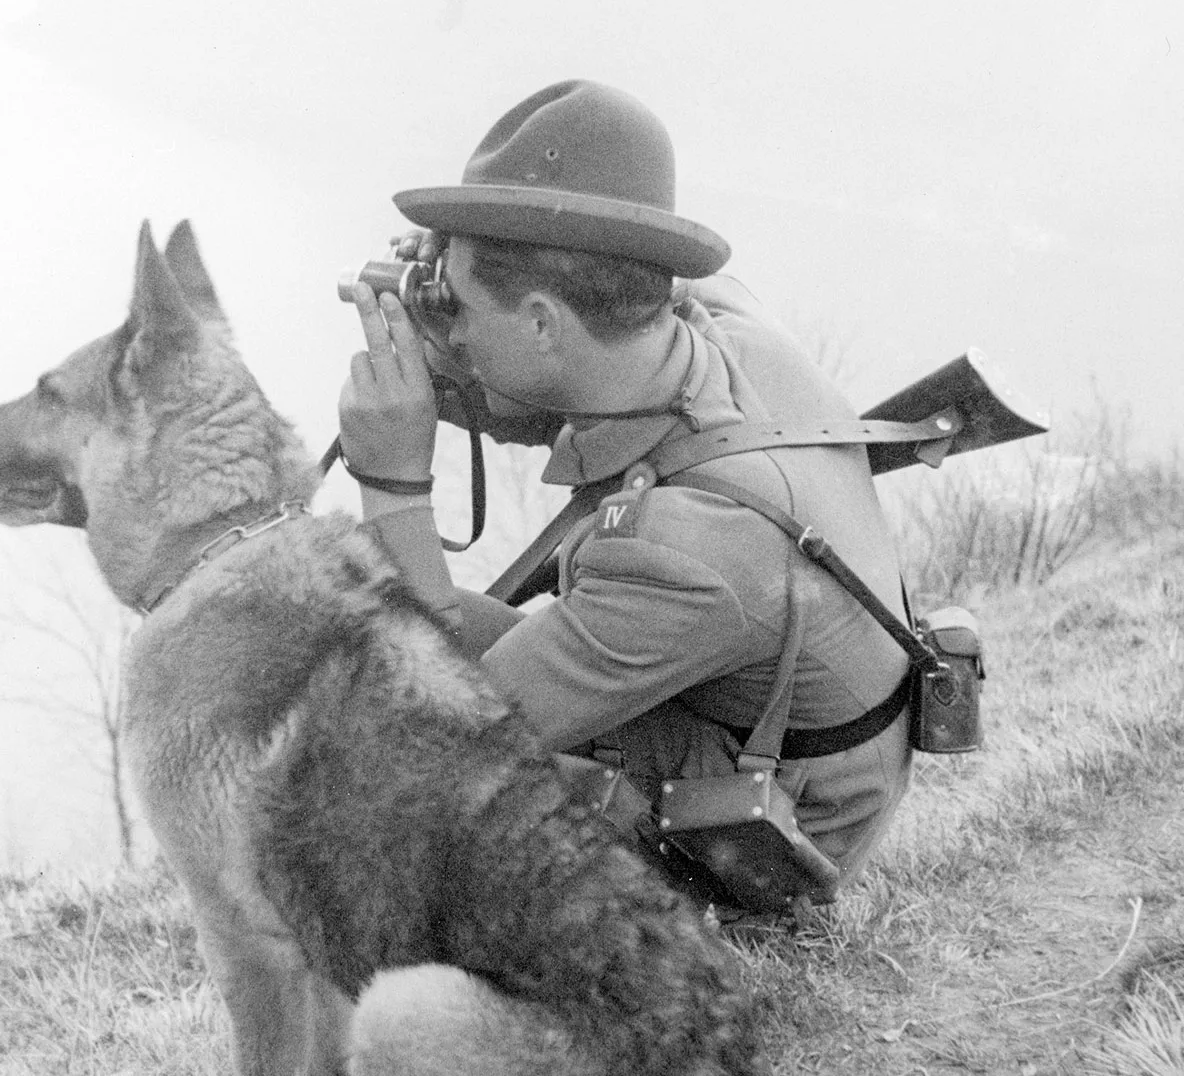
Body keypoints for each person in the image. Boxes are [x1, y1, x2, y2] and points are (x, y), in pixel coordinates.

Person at [337, 78, 913, 897]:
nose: (447, 321)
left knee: (408, 744)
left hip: (775, 829)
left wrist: (392, 477)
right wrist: (465, 342)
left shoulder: (686, 551)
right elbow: (582, 380)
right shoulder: (716, 321)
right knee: (430, 627)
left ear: (541, 324)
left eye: (456, 307)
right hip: (741, 721)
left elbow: (443, 740)